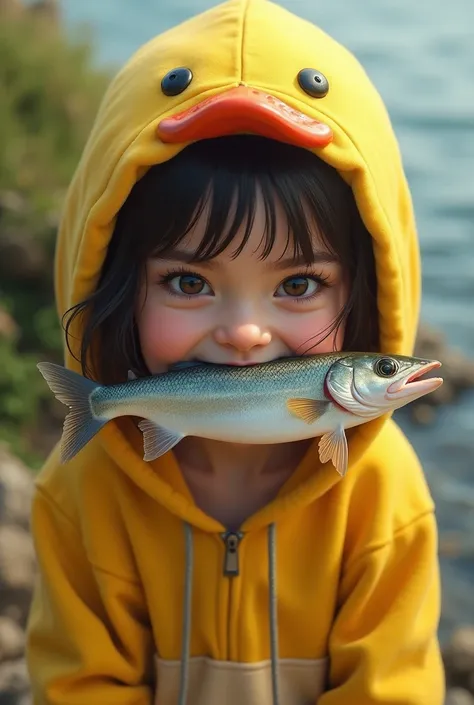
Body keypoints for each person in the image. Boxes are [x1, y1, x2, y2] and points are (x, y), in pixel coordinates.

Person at [26, 0, 445, 703]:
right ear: (117, 284)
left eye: (300, 283)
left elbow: (392, 688)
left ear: (370, 289)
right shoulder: (84, 490)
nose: (245, 332)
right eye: (189, 282)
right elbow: (77, 684)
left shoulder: (381, 493)